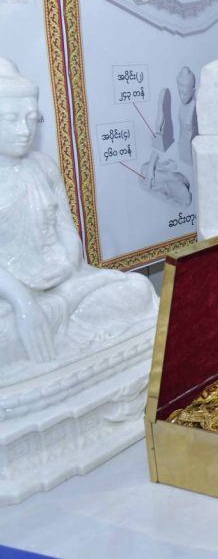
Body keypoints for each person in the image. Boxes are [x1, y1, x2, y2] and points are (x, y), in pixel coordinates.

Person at [0, 58, 157, 368]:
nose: (24, 130)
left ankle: (68, 335)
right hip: (12, 300)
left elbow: (67, 231)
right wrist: (22, 301)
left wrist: (65, 265)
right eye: (10, 119)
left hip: (65, 286)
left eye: (31, 119)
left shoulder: (43, 166)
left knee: (137, 290)